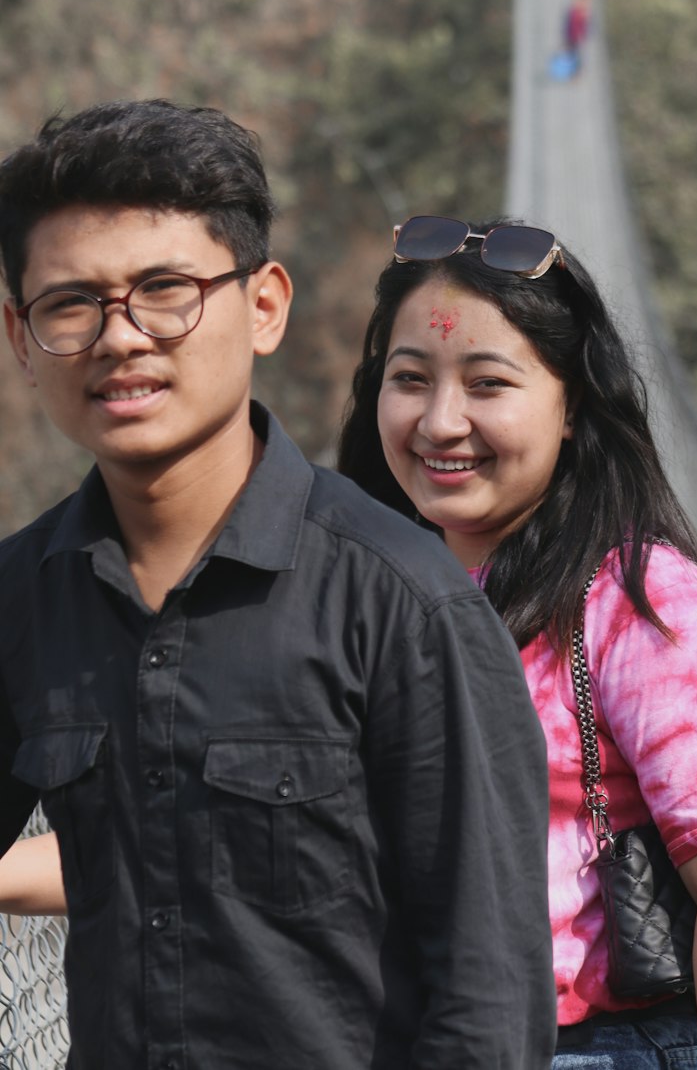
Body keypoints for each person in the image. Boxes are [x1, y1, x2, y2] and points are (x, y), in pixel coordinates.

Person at [0, 106, 556, 1070]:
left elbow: (491, 997)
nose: (120, 338)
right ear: (19, 334)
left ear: (264, 306)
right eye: (71, 305)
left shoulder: (402, 605)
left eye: (166, 291)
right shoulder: (21, 598)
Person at [337, 214, 697, 1069]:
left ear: (570, 406)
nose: (441, 422)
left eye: (487, 384)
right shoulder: (357, 597)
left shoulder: (642, 600)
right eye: (411, 379)